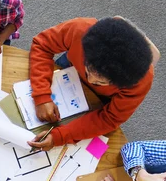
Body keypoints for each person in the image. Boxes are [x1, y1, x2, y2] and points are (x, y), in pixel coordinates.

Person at [27, 17, 156, 151]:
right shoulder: (80, 29)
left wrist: (60, 136)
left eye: (101, 82)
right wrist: (41, 95)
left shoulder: (140, 81)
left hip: (103, 99)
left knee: (96, 143)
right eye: (88, 70)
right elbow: (42, 44)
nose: (90, 81)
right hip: (70, 67)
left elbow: (110, 118)